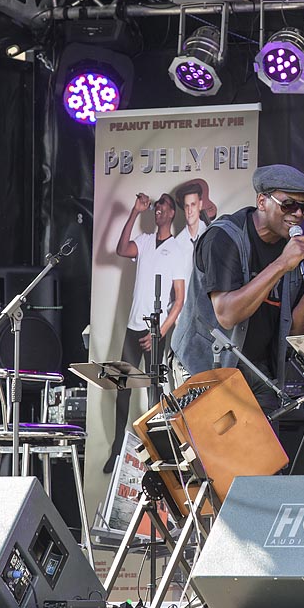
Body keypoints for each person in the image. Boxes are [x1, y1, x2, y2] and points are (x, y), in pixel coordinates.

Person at [171, 164, 304, 411]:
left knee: (265, 448)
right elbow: (227, 315)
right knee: (216, 449)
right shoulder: (224, 237)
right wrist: (281, 264)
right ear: (262, 201)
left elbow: (293, 331)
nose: (298, 214)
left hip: (257, 371)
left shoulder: (290, 251)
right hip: (205, 367)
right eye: (288, 204)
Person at [106, 192, 186, 473]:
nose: (158, 209)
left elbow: (180, 298)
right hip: (132, 326)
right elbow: (120, 249)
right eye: (156, 206)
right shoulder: (144, 241)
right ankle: (117, 449)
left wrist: (162, 330)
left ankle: (154, 451)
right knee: (122, 388)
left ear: (172, 212)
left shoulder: (177, 250)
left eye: (163, 205)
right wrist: (135, 211)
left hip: (155, 330)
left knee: (153, 391)